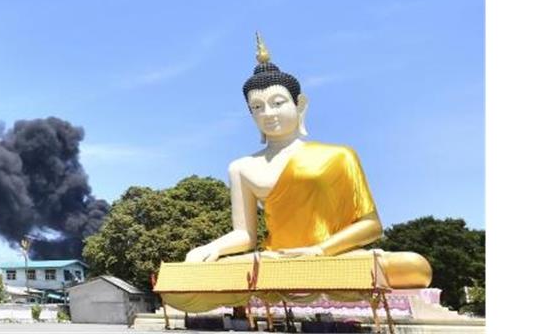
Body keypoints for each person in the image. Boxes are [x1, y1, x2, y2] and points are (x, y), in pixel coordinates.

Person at [182, 34, 430, 289]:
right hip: (276, 260)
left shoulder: (339, 155)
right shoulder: (241, 167)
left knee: (414, 266)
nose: (268, 113)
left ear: (299, 104)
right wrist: (210, 248)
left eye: (277, 103)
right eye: (257, 107)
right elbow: (245, 235)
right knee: (201, 269)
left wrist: (319, 251)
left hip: (332, 257)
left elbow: (371, 226)